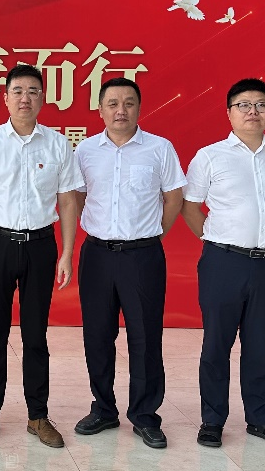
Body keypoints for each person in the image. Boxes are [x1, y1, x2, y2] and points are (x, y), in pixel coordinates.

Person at [0, 65, 83, 449]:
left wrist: (67, 253)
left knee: (36, 334)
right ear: (6, 98)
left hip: (40, 246)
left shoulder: (58, 144)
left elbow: (67, 201)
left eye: (32, 91)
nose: (25, 98)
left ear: (43, 98)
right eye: (17, 91)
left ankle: (38, 415)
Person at [182, 78, 265, 449]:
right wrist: (216, 240)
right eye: (244, 105)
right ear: (229, 112)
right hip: (223, 263)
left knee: (259, 346)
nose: (253, 111)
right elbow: (190, 207)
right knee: (216, 344)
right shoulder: (209, 156)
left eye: (261, 104)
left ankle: (259, 418)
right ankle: (212, 420)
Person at [73, 77, 186, 450]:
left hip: (143, 256)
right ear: (100, 109)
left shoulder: (159, 148)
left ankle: (145, 415)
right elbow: (77, 198)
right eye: (112, 103)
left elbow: (173, 199)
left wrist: (151, 234)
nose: (120, 110)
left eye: (128, 103)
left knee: (146, 337)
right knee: (97, 336)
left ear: (139, 107)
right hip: (97, 255)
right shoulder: (85, 151)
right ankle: (103, 409)